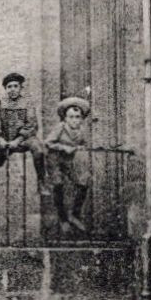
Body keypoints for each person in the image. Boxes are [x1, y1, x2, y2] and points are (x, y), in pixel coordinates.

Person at [0, 72, 43, 189]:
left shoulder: (28, 103)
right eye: (9, 87)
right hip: (3, 140)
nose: (12, 89)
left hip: (21, 141)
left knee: (38, 148)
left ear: (21, 88)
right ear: (5, 89)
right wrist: (0, 139)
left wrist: (18, 140)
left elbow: (31, 124)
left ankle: (42, 183)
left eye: (16, 86)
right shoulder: (0, 103)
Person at [45, 97, 93, 234]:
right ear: (65, 118)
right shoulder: (60, 128)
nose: (74, 120)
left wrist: (81, 147)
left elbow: (82, 143)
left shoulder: (81, 130)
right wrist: (63, 147)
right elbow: (48, 143)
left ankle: (74, 215)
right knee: (58, 185)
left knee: (83, 182)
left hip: (68, 161)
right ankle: (63, 219)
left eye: (77, 117)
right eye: (71, 117)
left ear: (82, 119)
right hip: (54, 159)